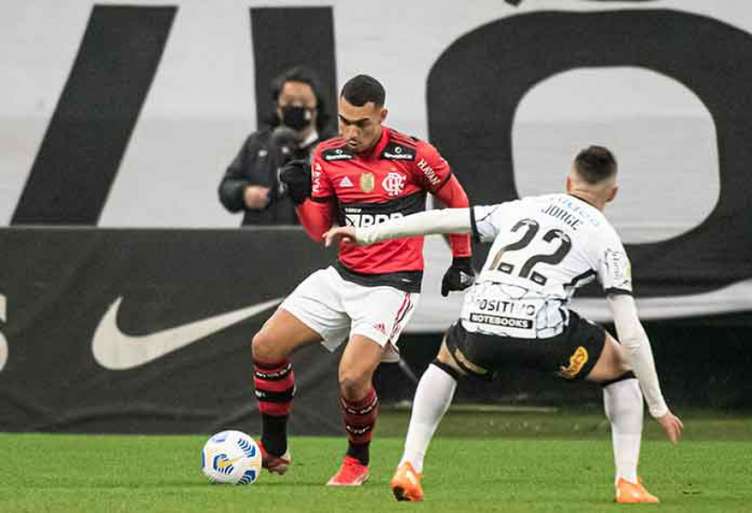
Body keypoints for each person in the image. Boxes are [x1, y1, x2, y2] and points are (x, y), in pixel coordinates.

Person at [323, 145, 684, 502]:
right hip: (543, 334)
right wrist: (658, 407)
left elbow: (443, 219)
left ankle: (409, 465)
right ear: (614, 193)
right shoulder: (606, 239)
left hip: (480, 324)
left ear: (568, 181)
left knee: (446, 359)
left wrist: (368, 234)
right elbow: (632, 334)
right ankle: (628, 482)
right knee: (621, 366)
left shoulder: (527, 207)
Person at [249, 74, 476, 486]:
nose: (351, 132)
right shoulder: (327, 155)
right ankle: (275, 448)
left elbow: (454, 199)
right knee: (265, 346)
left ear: (382, 116)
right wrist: (301, 196)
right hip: (345, 274)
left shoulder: (414, 155)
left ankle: (357, 460)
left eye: (362, 124)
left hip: (393, 283)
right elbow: (320, 231)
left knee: (353, 378)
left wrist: (461, 258)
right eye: (344, 121)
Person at [218, 66, 334, 225]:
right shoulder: (257, 144)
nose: (296, 107)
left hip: (315, 242)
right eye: (289, 101)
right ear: (278, 106)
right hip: (262, 241)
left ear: (317, 107)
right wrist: (244, 193)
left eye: (304, 102)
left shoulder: (334, 149)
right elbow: (227, 187)